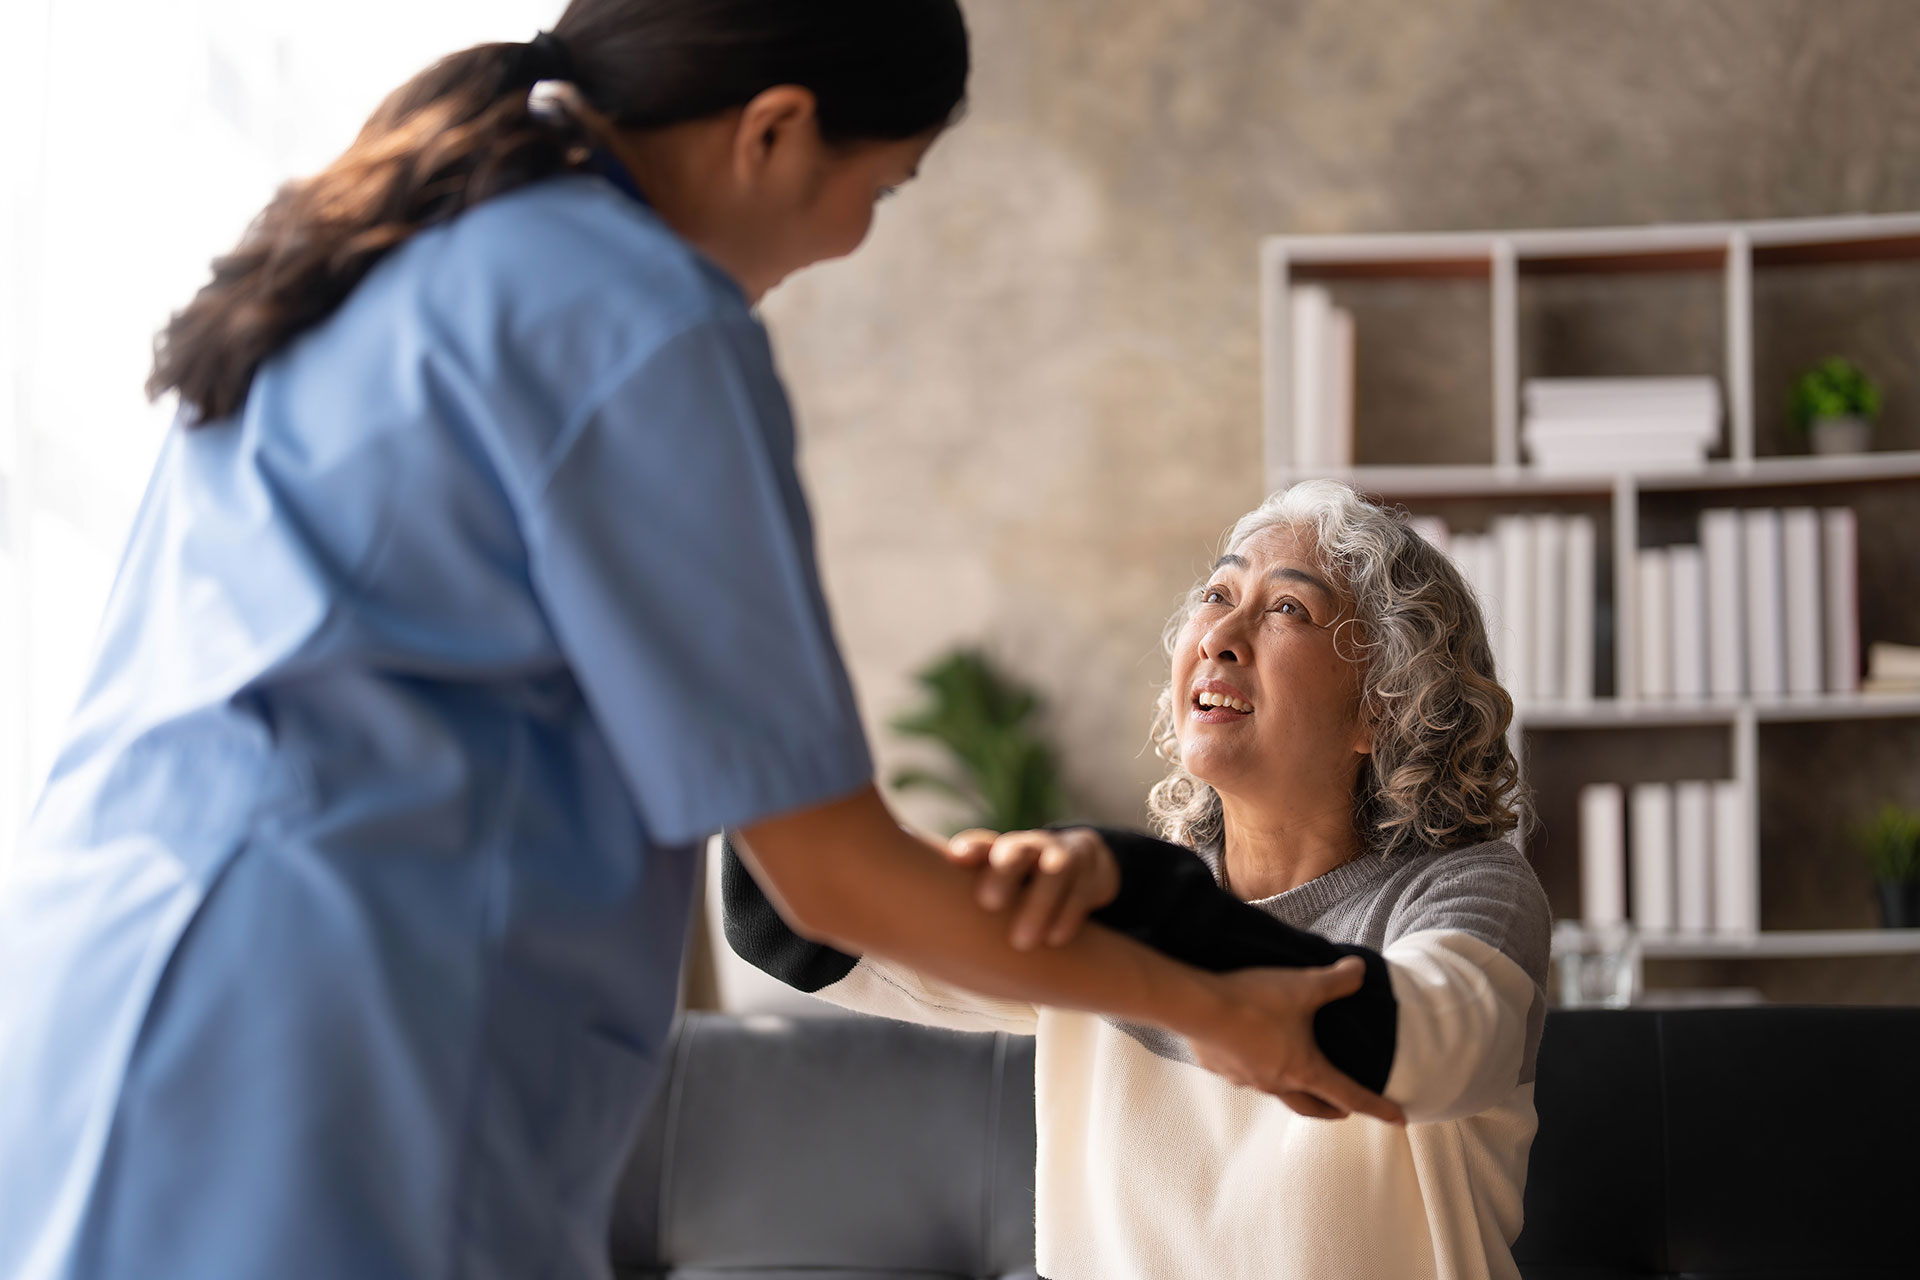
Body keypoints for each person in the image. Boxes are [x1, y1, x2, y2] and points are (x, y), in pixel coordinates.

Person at [0, 7, 1402, 1279]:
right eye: (883, 185)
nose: (857, 233)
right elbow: (831, 874)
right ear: (776, 126)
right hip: (320, 1054)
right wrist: (1213, 1011)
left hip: (103, 1011)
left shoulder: (383, 241)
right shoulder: (636, 315)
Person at [726, 479, 1552, 1280]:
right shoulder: (1118, 903)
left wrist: (1144, 907)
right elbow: (801, 926)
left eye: (1288, 608)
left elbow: (1414, 1045)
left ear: (1385, 703)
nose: (1219, 635)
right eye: (1216, 595)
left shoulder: (1468, 893)